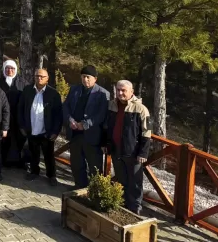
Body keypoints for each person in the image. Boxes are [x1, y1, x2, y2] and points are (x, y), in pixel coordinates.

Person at [103, 80, 151, 214]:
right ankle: (122, 204)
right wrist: (105, 143)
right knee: (120, 179)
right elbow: (106, 127)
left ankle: (135, 209)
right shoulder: (112, 105)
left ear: (131, 92)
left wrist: (143, 152)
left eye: (123, 90)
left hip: (133, 152)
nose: (120, 93)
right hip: (115, 149)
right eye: (118, 90)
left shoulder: (141, 109)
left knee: (135, 182)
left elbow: (146, 132)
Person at [62, 65, 110, 189]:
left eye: (88, 77)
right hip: (75, 133)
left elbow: (101, 115)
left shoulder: (103, 94)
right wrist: (70, 120)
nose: (85, 80)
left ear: (95, 79)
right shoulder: (75, 89)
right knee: (77, 163)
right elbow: (66, 106)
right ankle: (80, 186)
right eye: (83, 77)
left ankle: (95, 191)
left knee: (95, 166)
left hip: (92, 135)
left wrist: (85, 124)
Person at [19, 68, 62, 185]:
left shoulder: (54, 94)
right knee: (33, 153)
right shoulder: (27, 90)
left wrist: (55, 131)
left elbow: (58, 115)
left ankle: (51, 175)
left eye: (42, 77)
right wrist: (22, 125)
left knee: (48, 155)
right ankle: (34, 172)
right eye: (37, 76)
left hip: (46, 131)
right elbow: (20, 109)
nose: (39, 78)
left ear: (47, 79)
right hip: (31, 129)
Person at [0, 59, 25, 169]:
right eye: (7, 68)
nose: (10, 71)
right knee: (5, 139)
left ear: (15, 69)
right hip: (3, 116)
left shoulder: (22, 82)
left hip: (18, 116)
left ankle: (20, 162)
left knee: (20, 139)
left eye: (12, 68)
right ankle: (4, 161)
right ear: (4, 69)